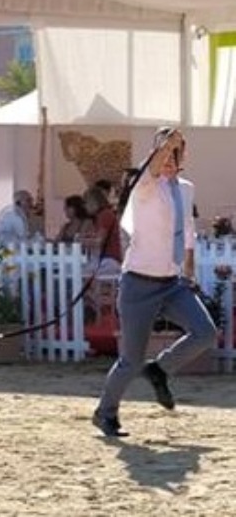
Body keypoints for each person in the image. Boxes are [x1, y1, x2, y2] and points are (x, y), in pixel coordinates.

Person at [92, 126, 217, 437]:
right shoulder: (144, 185)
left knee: (205, 332)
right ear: (156, 154)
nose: (170, 160)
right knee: (131, 359)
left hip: (172, 283)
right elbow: (153, 165)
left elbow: (188, 231)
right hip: (138, 283)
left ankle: (160, 369)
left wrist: (189, 271)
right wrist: (165, 145)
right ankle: (105, 413)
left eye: (176, 153)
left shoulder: (186, 189)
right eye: (166, 153)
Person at [83, 185, 122, 272]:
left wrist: (82, 241)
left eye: (85, 203)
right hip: (106, 259)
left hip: (109, 260)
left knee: (79, 274)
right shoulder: (103, 215)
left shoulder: (104, 215)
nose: (84, 207)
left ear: (93, 202)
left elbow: (99, 241)